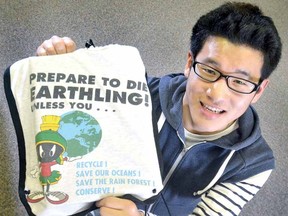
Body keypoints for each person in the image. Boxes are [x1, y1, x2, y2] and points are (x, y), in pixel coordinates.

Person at [36, 2, 282, 216]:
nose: (216, 94)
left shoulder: (254, 163)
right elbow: (69, 127)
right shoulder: (133, 92)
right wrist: (58, 66)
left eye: (239, 82)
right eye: (209, 70)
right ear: (189, 63)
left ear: (259, 90)